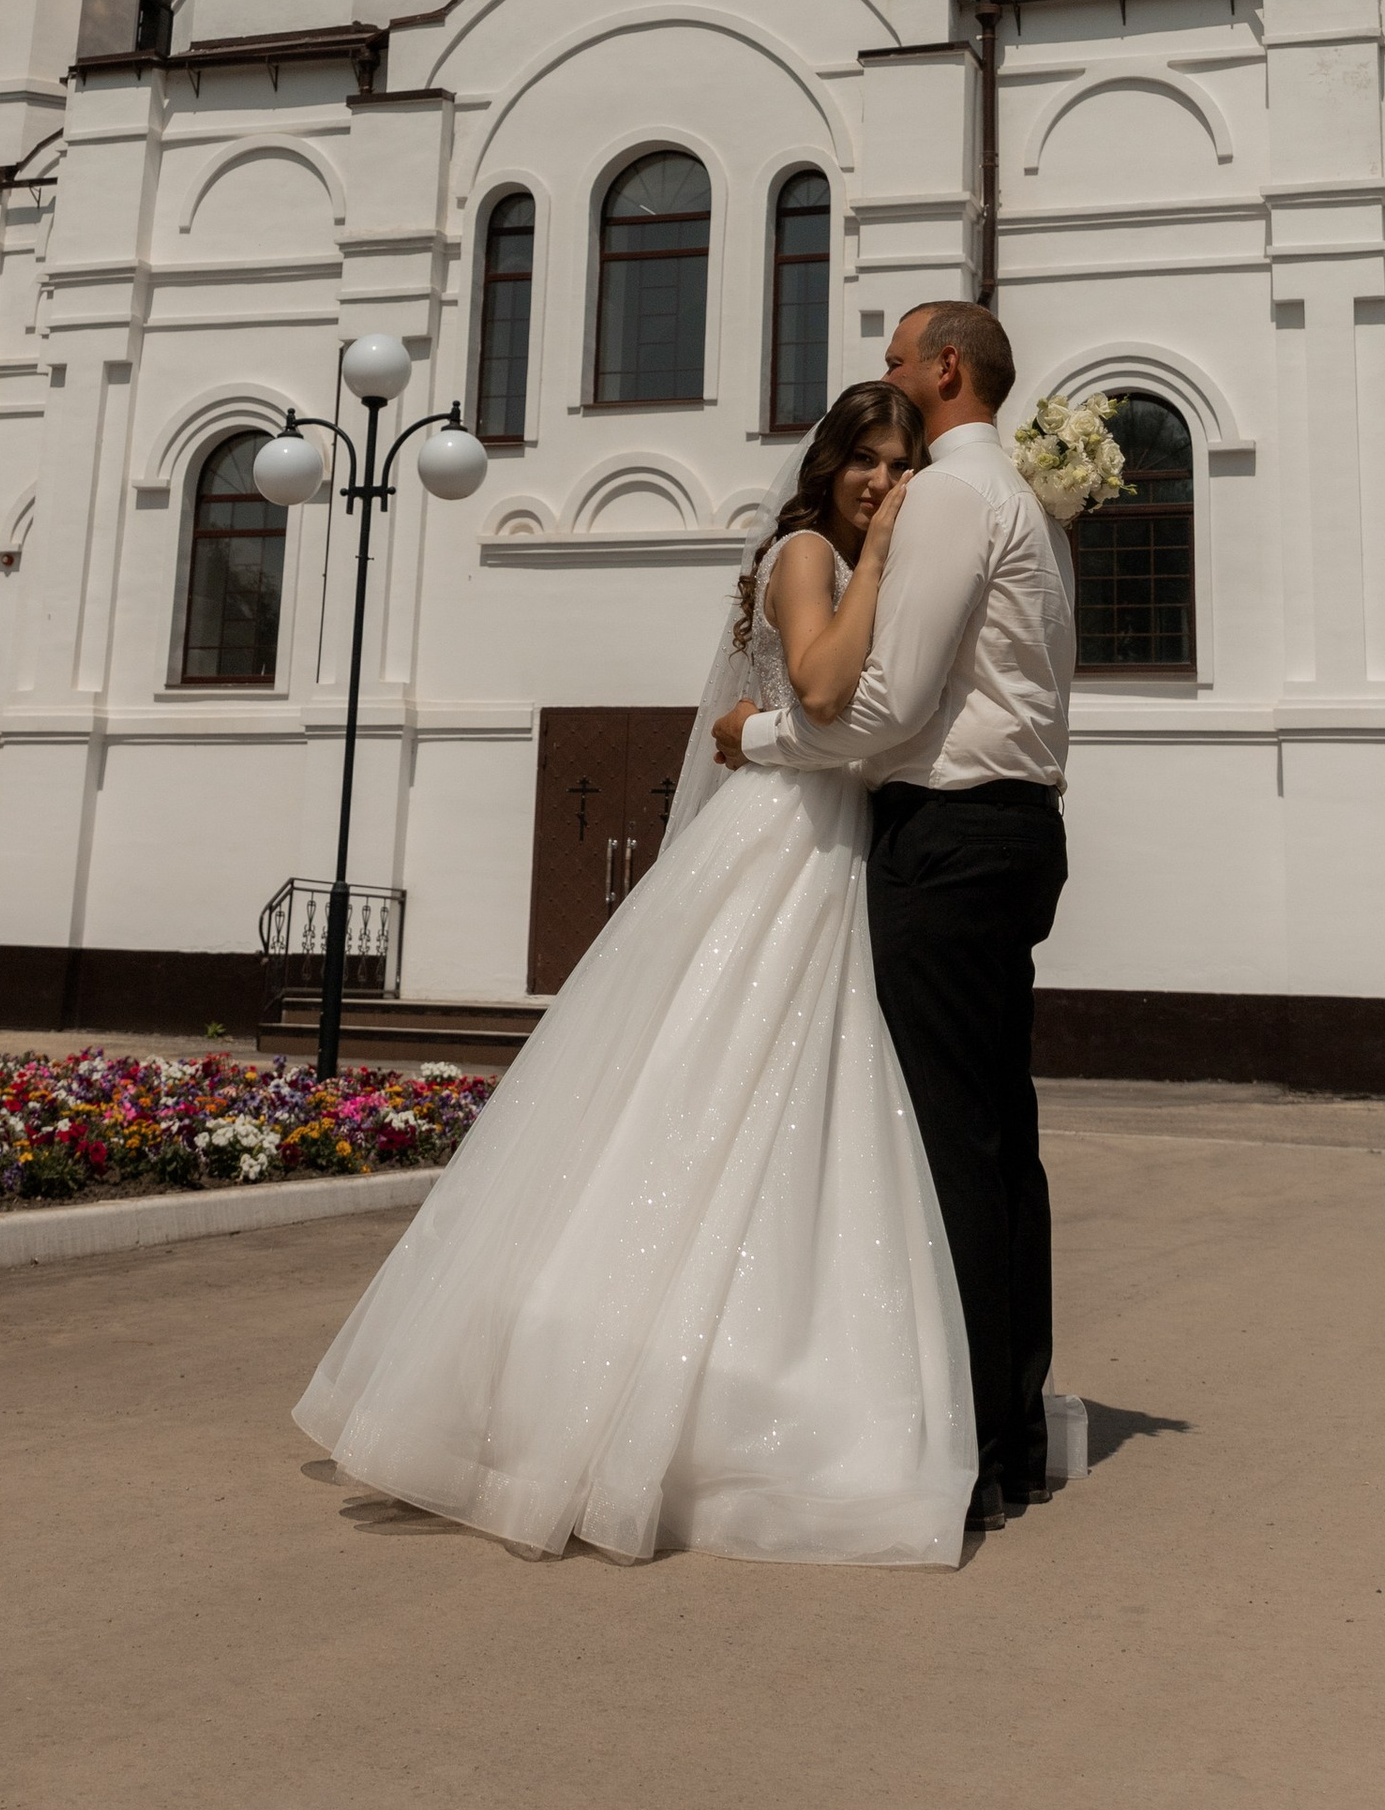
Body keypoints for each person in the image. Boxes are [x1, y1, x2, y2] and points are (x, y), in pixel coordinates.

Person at [293, 382, 979, 1566]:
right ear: (827, 467)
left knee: (754, 1084)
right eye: (866, 460)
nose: (882, 480)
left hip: (800, 829)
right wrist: (876, 554)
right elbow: (818, 690)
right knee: (721, 1077)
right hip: (785, 838)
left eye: (898, 462)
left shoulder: (805, 549)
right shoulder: (814, 553)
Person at [714, 301, 1076, 1529]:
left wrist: (751, 736)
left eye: (894, 363)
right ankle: (1010, 1430)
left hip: (953, 837)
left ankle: (971, 1447)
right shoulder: (1014, 497)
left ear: (946, 369)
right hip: (1014, 831)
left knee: (950, 1153)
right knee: (995, 1144)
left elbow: (881, 709)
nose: (884, 384)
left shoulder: (956, 499)